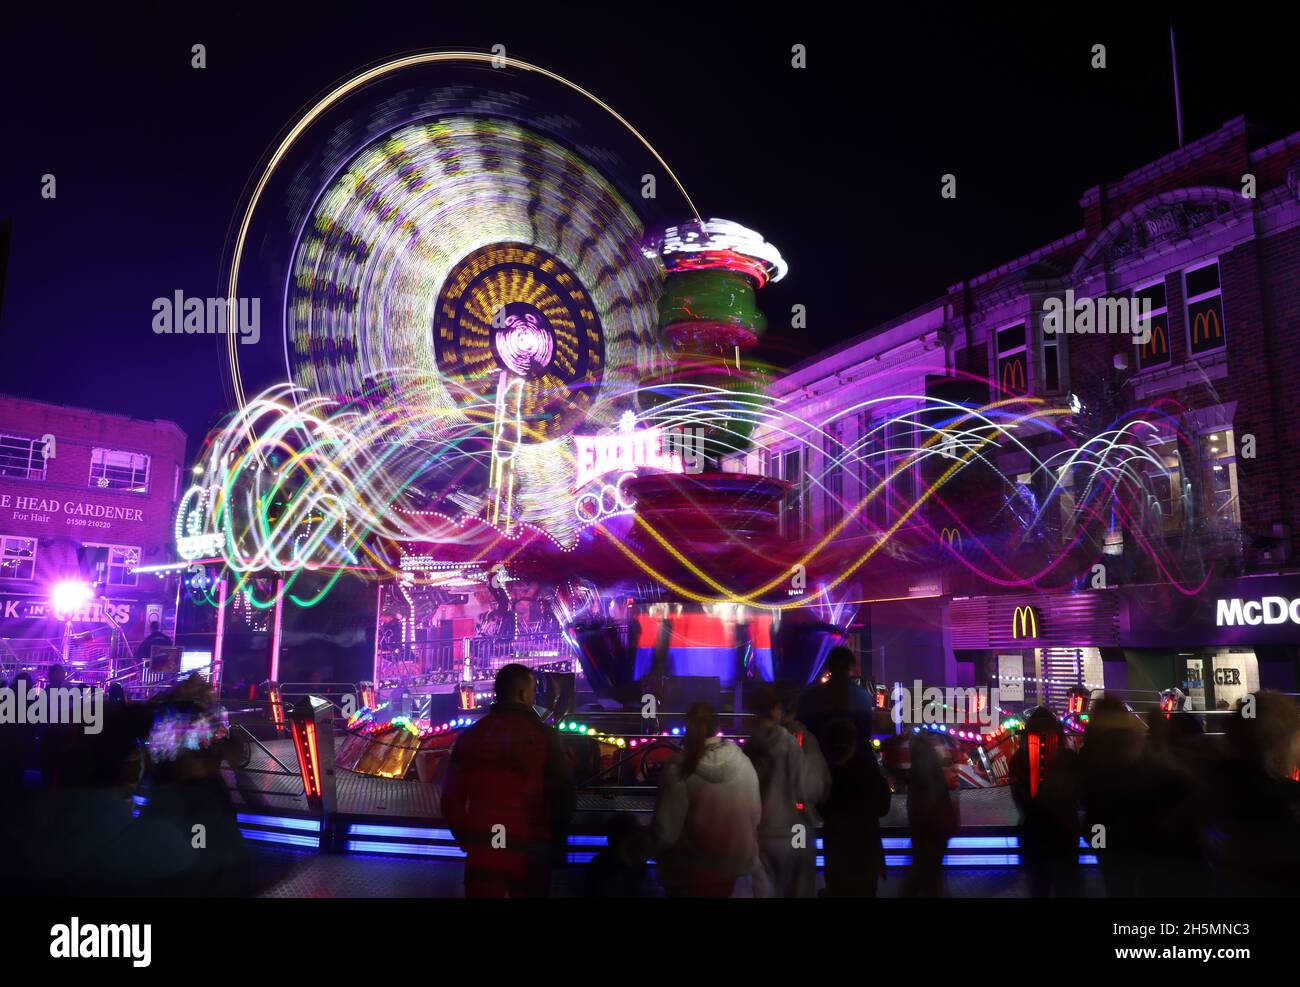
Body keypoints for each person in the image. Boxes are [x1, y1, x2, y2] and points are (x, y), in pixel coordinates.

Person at [441, 663, 576, 898]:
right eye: (533, 691)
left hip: (484, 848)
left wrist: (466, 838)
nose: (534, 697)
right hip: (531, 848)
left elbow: (451, 797)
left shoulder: (472, 736)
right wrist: (552, 840)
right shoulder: (546, 737)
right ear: (523, 694)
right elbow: (563, 797)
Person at [652, 702, 760, 897]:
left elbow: (666, 833)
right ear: (717, 728)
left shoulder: (680, 769)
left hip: (689, 873)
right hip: (732, 870)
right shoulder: (743, 762)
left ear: (687, 727)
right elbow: (756, 815)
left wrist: (636, 850)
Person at [744, 686, 829, 897]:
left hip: (761, 832)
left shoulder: (751, 745)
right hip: (795, 828)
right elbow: (809, 788)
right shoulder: (800, 741)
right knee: (798, 888)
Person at [1010, 706, 1081, 898]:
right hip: (1064, 834)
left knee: (1039, 888)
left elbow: (1019, 796)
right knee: (1067, 888)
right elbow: (1077, 794)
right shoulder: (1069, 757)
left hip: (1034, 833)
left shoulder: (1018, 759)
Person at [818, 718, 892, 897]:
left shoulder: (825, 772)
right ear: (853, 742)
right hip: (865, 850)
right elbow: (883, 807)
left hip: (836, 851)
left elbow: (820, 808)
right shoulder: (868, 771)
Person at [797, 646, 878, 758]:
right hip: (857, 762)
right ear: (852, 667)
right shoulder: (862, 697)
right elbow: (866, 734)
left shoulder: (810, 696)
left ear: (828, 667)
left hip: (820, 761)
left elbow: (802, 728)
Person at [904, 733, 957, 896]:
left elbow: (924, 799)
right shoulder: (933, 765)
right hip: (936, 829)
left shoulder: (919, 766)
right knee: (931, 875)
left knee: (923, 873)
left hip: (926, 829)